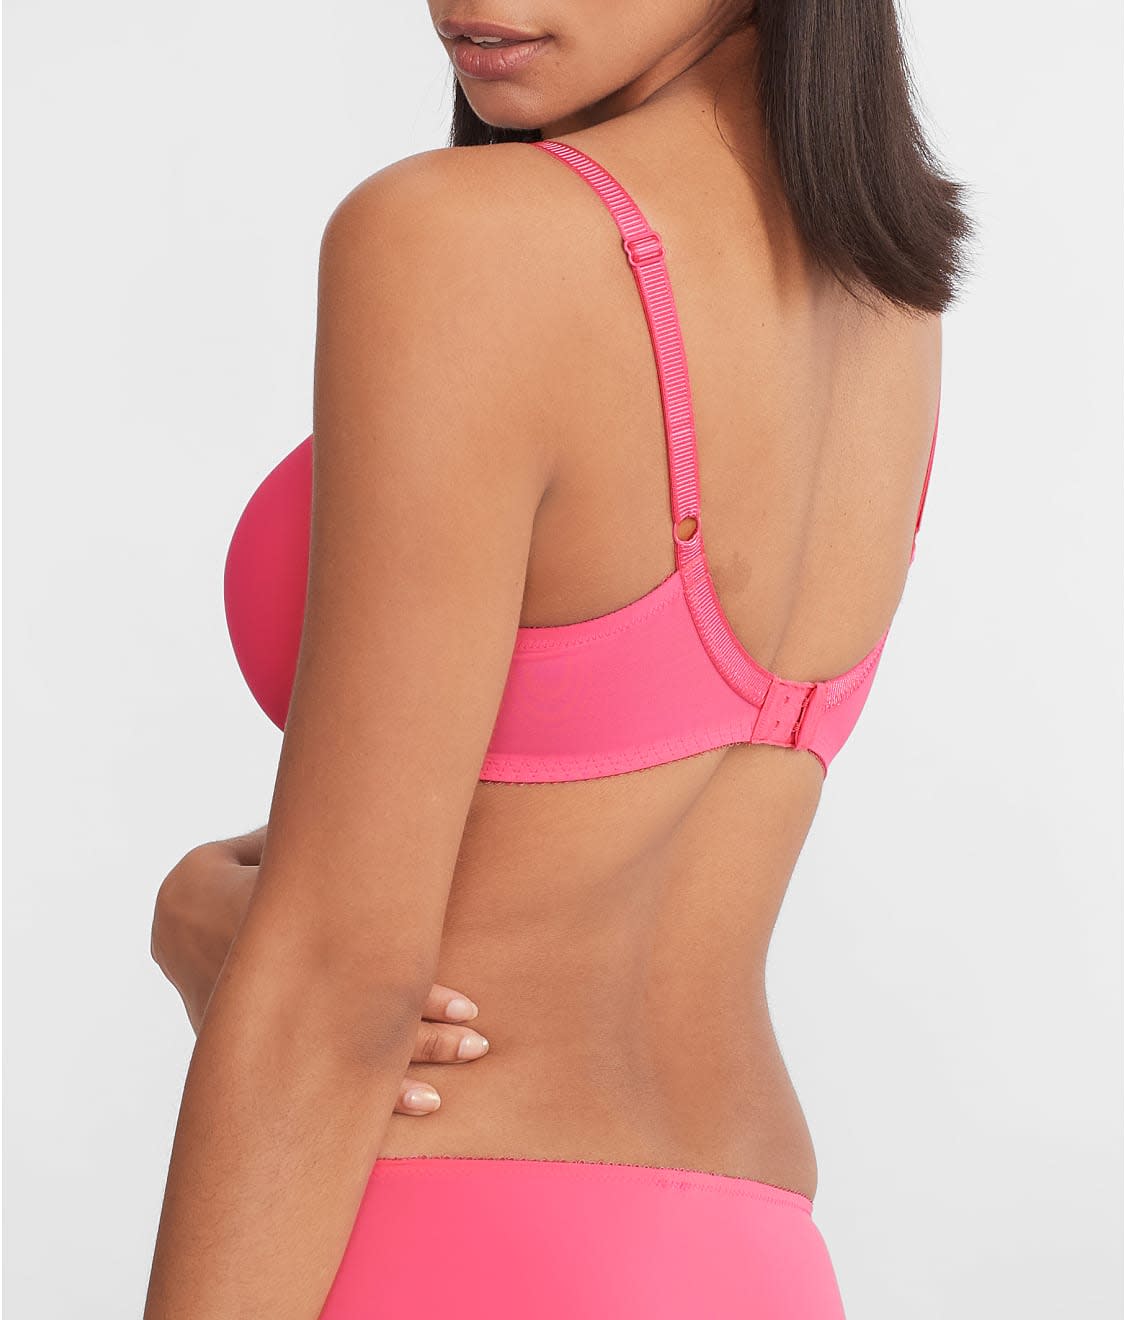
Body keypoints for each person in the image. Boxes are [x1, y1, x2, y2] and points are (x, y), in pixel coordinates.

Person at [145, 2, 973, 1315]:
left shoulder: (462, 239)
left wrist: (279, 945)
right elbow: (572, 786)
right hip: (752, 1254)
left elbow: (336, 988)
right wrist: (228, 897)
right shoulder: (880, 297)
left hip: (454, 1235)